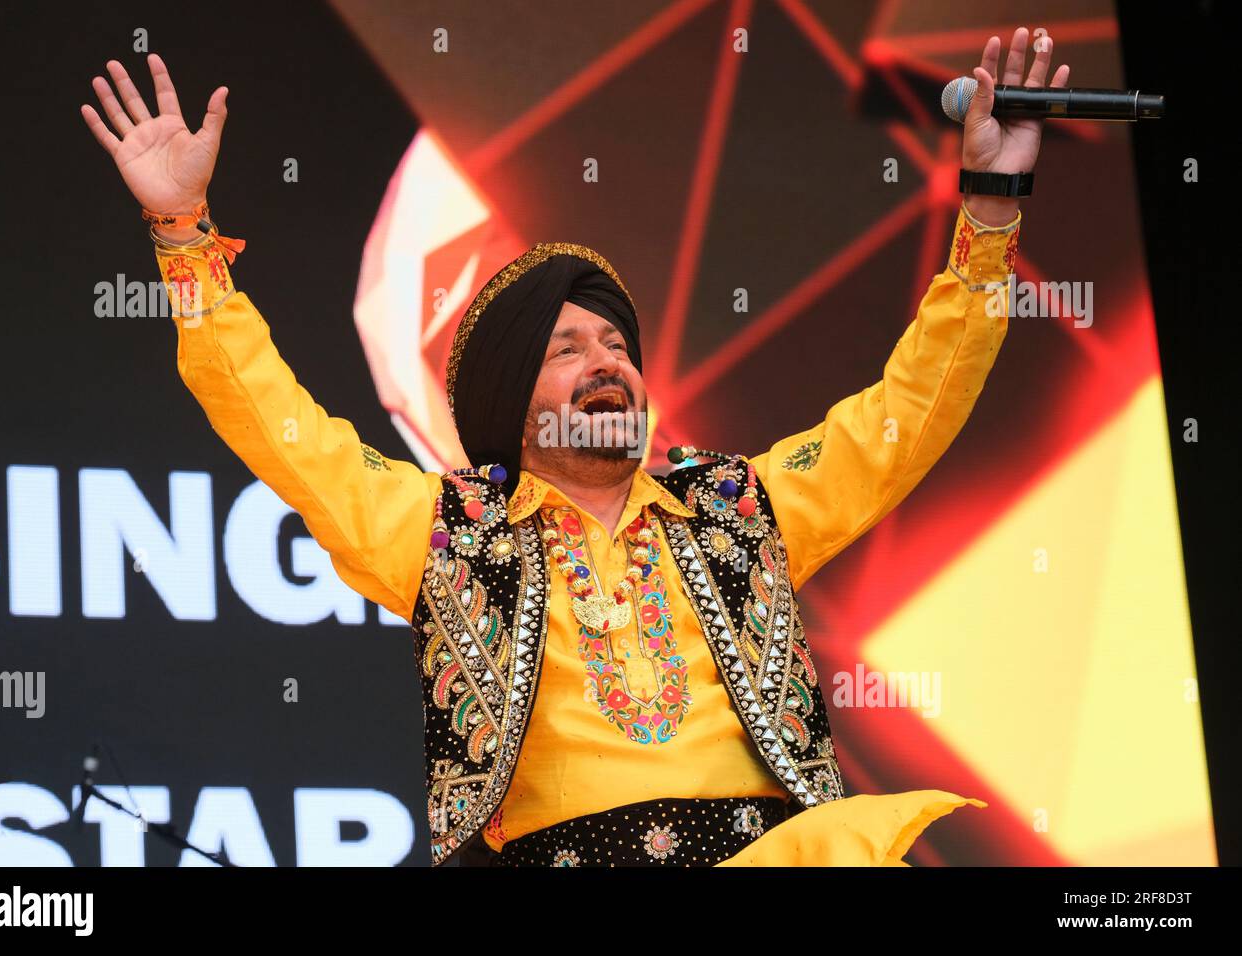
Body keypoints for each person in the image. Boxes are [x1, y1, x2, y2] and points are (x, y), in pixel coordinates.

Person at [80, 27, 1068, 867]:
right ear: (512, 399)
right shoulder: (441, 534)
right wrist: (181, 231)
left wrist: (987, 202)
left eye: (616, 345)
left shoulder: (739, 507)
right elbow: (274, 418)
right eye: (566, 347)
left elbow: (908, 413)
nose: (608, 362)